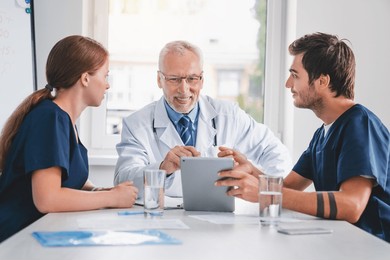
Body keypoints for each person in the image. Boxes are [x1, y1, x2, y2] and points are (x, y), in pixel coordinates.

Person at [216, 32, 390, 242]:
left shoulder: (360, 124)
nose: (288, 84)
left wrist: (264, 191)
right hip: (347, 244)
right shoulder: (322, 134)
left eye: (295, 75)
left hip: (377, 250)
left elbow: (351, 205)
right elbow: (287, 189)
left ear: (322, 81)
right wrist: (250, 170)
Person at [0, 35, 138, 243]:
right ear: (85, 78)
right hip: (15, 240)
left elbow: (71, 178)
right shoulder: (50, 118)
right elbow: (47, 199)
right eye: (105, 76)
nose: (107, 85)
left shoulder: (62, 119)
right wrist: (112, 198)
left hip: (37, 234)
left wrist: (100, 190)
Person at [114, 40, 291, 201]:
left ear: (202, 79)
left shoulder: (229, 115)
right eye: (174, 79)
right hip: (164, 217)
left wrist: (269, 193)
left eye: (192, 79)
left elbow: (276, 153)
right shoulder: (136, 124)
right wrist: (162, 168)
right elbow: (123, 181)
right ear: (159, 80)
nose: (184, 90)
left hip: (218, 218)